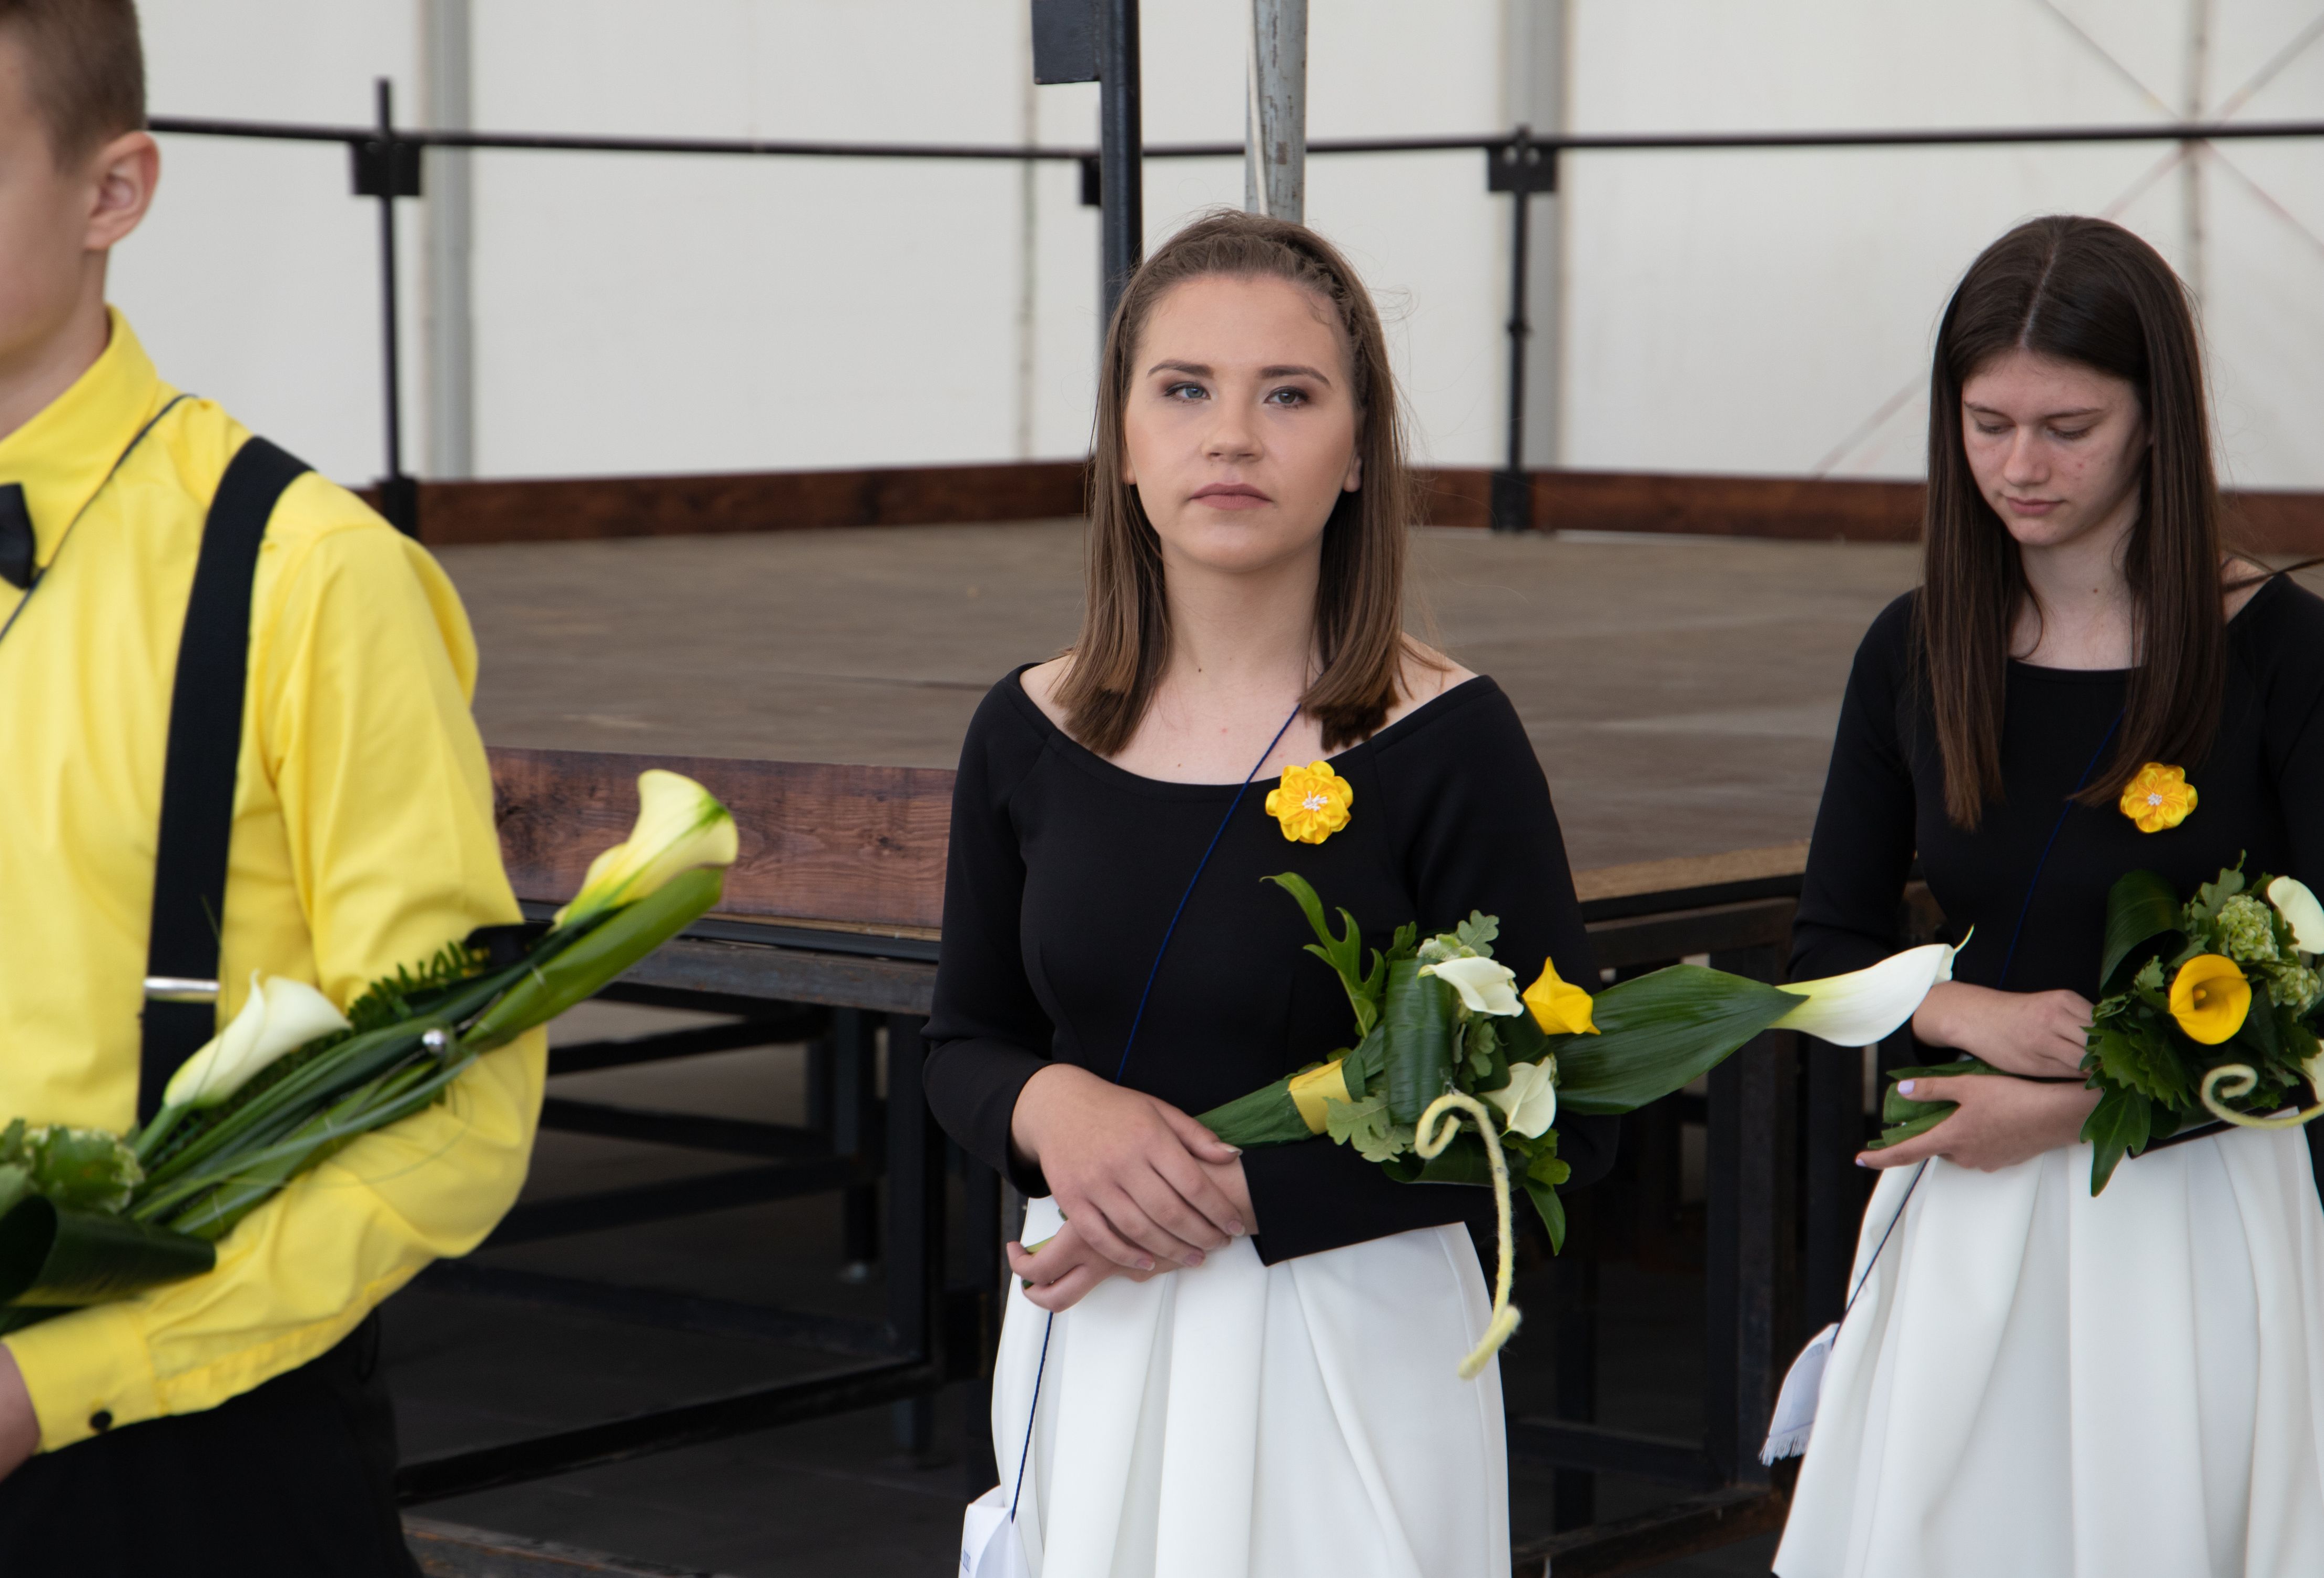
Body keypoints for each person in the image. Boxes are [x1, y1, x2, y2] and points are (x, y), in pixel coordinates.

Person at [923, 208, 1616, 1577]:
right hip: (1098, 1328)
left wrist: (1248, 1191)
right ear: (1123, 441)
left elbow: (1567, 1113)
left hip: (1350, 1345)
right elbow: (964, 1043)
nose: (1231, 436)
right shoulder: (1027, 730)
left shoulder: (1446, 738)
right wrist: (1052, 1109)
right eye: (1184, 390)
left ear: (1357, 453)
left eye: (1287, 396)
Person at [0, 4, 544, 1572]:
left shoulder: (307, 576)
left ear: (113, 191)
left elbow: (453, 1103)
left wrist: (41, 1386)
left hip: (173, 1462)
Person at [1774, 215, 2324, 1577]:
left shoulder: (2280, 654)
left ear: (2156, 422)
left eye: (2069, 428)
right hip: (1966, 1193)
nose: (2021, 467)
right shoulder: (1915, 646)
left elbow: (2315, 1007)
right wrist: (1962, 1011)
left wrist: (2075, 1106)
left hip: (2191, 1207)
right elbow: (1826, 949)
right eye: (1988, 425)